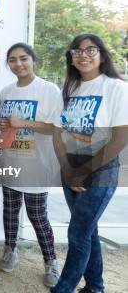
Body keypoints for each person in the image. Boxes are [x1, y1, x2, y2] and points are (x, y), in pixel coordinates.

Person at [50, 34, 127, 293]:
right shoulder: (69, 89)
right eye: (76, 51)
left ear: (102, 54)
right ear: (71, 59)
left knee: (77, 232)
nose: (83, 55)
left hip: (99, 171)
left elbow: (121, 137)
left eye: (90, 50)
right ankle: (95, 286)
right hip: (70, 169)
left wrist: (82, 173)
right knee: (87, 231)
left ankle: (63, 288)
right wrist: (68, 169)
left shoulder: (116, 87)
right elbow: (58, 132)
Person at [0, 43, 61, 287]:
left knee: (37, 216)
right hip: (11, 161)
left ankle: (51, 261)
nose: (18, 64)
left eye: (23, 58)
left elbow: (56, 127)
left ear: (33, 59)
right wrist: (3, 126)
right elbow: (3, 125)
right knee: (10, 212)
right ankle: (10, 250)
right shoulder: (6, 92)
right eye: (12, 60)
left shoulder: (48, 90)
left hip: (37, 164)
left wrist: (25, 122)